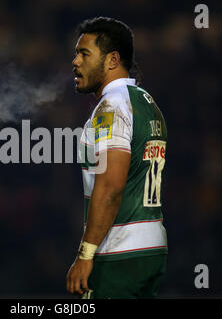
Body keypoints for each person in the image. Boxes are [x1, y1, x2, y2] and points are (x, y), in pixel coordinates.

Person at [66, 17, 168, 299]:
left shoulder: (110, 108)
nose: (75, 61)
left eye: (84, 53)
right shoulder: (147, 104)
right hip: (151, 248)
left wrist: (86, 255)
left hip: (118, 253)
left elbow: (111, 185)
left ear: (112, 60)